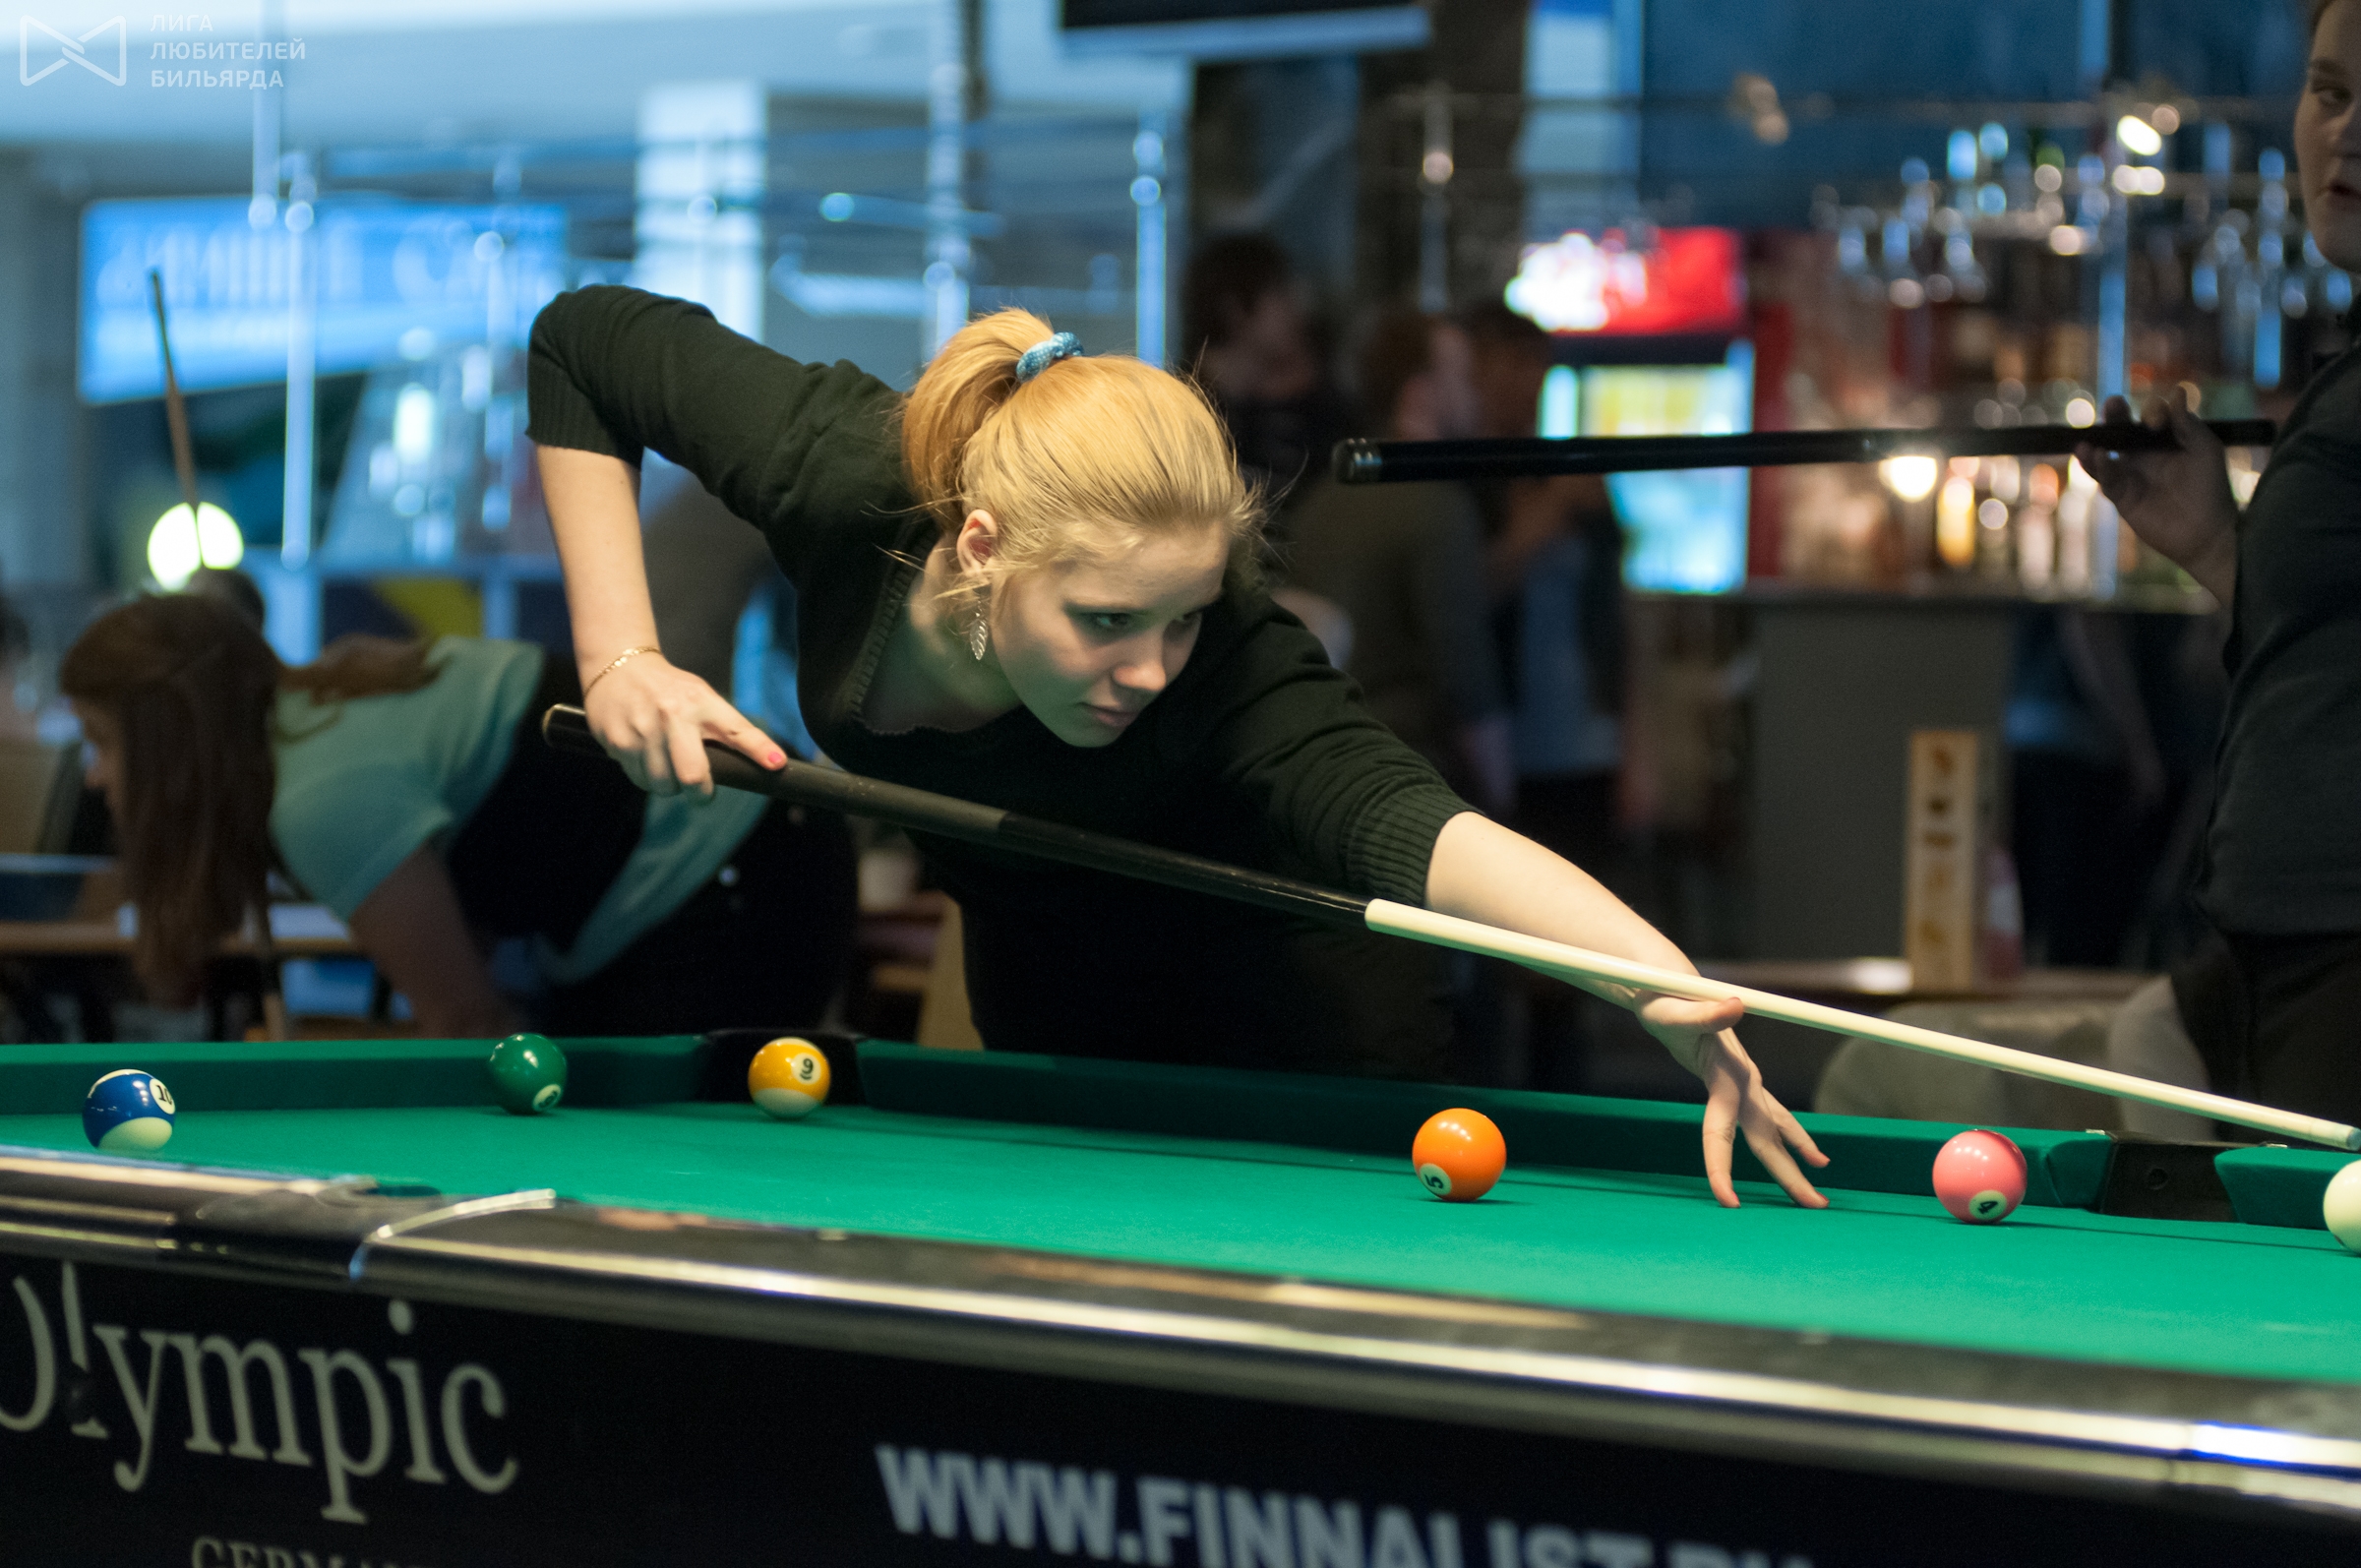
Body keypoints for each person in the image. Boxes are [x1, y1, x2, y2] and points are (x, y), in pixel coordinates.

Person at [527, 284, 1827, 1207]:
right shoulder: (846, 473)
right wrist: (621, 656)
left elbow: (1415, 826)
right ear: (981, 547)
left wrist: (1651, 980)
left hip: (1300, 1010)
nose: (1151, 669)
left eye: (1184, 616)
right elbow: (582, 345)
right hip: (1053, 980)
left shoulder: (1236, 673)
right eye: (1105, 620)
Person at [60, 594, 854, 1038]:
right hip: (751, 845)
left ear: (169, 742)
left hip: (746, 870)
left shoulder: (319, 799)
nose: (94, 777)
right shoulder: (322, 706)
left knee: (650, 1180)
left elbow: (467, 1019)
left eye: (103, 741)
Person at [2077, 0, 2361, 1127]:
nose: (2348, 133)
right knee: (2148, 1038)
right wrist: (2211, 542)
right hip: (2278, 938)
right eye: (2330, 92)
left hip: (2340, 946)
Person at [1282, 308, 1514, 815]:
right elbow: (1466, 678)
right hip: (1414, 779)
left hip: (1324, 775)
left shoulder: (1321, 498)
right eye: (1464, 378)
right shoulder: (1437, 505)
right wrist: (1504, 804)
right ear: (1419, 393)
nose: (1477, 393)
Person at [1180, 234, 1347, 511]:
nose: (1296, 308)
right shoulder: (1185, 419)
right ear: (1234, 309)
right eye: (1280, 294)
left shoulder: (1303, 407)